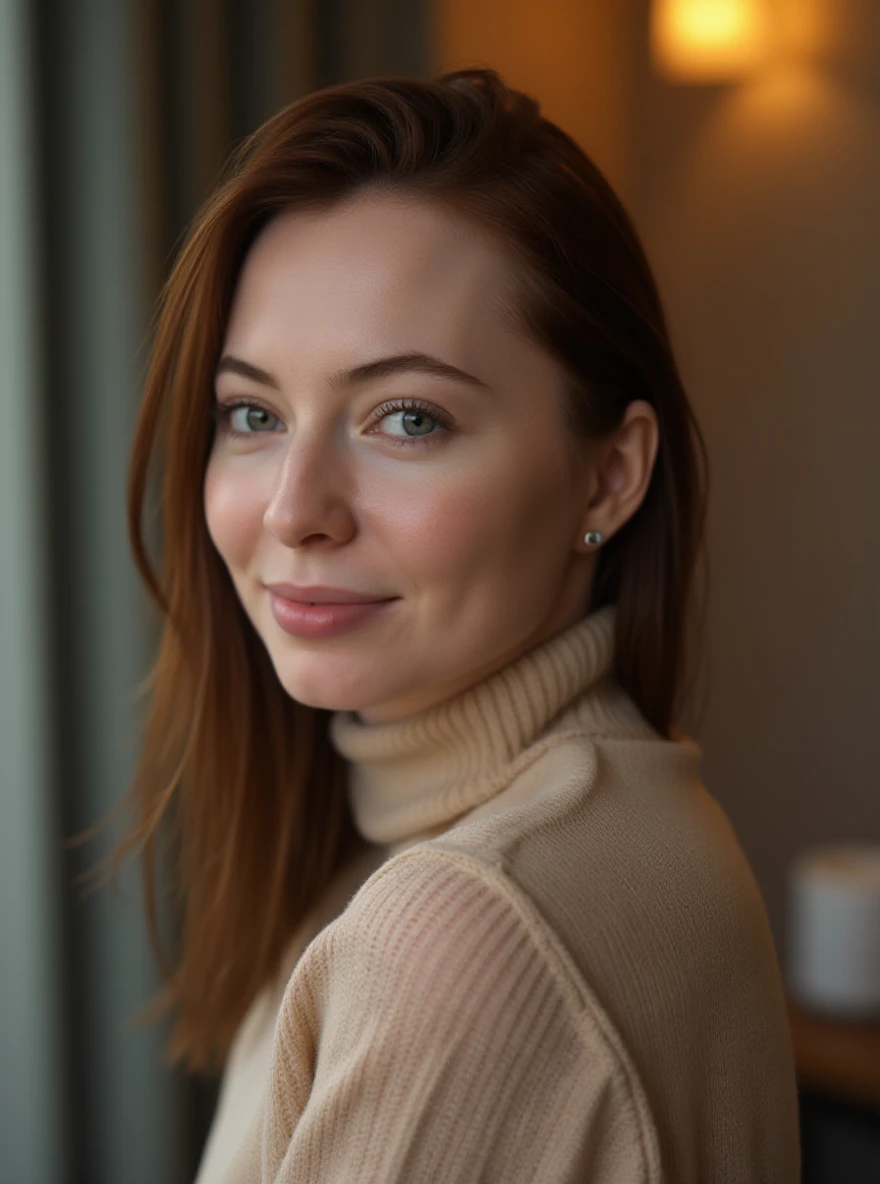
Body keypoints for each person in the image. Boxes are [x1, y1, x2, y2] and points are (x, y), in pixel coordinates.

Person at [122, 68, 800, 1182]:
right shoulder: (624, 821)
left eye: (406, 417)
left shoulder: (467, 930)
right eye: (252, 413)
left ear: (607, 477)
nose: (295, 508)